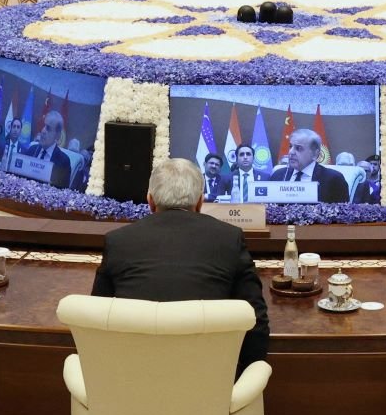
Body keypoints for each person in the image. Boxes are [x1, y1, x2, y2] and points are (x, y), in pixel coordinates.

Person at [93, 157, 270, 371]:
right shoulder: (229, 239)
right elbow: (254, 319)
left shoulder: (118, 241)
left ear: (150, 201)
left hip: (131, 384)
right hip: (211, 388)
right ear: (200, 202)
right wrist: (244, 377)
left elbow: (97, 322)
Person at [267, 129, 349, 200]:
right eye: (290, 146)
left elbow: (343, 214)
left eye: (298, 148)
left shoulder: (334, 179)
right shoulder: (278, 175)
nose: (291, 152)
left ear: (315, 154)